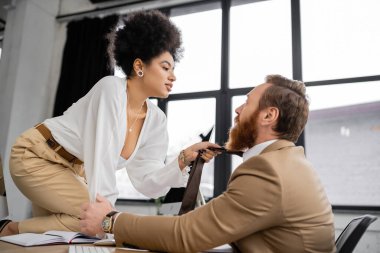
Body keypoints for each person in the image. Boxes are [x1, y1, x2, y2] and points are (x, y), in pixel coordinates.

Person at [0, 10, 220, 236]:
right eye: (165, 67)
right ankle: (9, 229)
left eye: (173, 68)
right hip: (37, 154)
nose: (173, 76)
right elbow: (102, 158)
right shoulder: (110, 90)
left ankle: (15, 233)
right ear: (139, 66)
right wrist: (109, 217)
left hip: (73, 170)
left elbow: (147, 182)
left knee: (58, 239)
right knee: (93, 222)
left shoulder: (156, 120)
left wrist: (182, 159)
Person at [80, 74, 336, 253]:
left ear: (269, 115)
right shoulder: (288, 161)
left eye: (247, 102)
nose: (237, 110)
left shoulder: (269, 171)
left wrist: (110, 220)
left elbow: (185, 234)